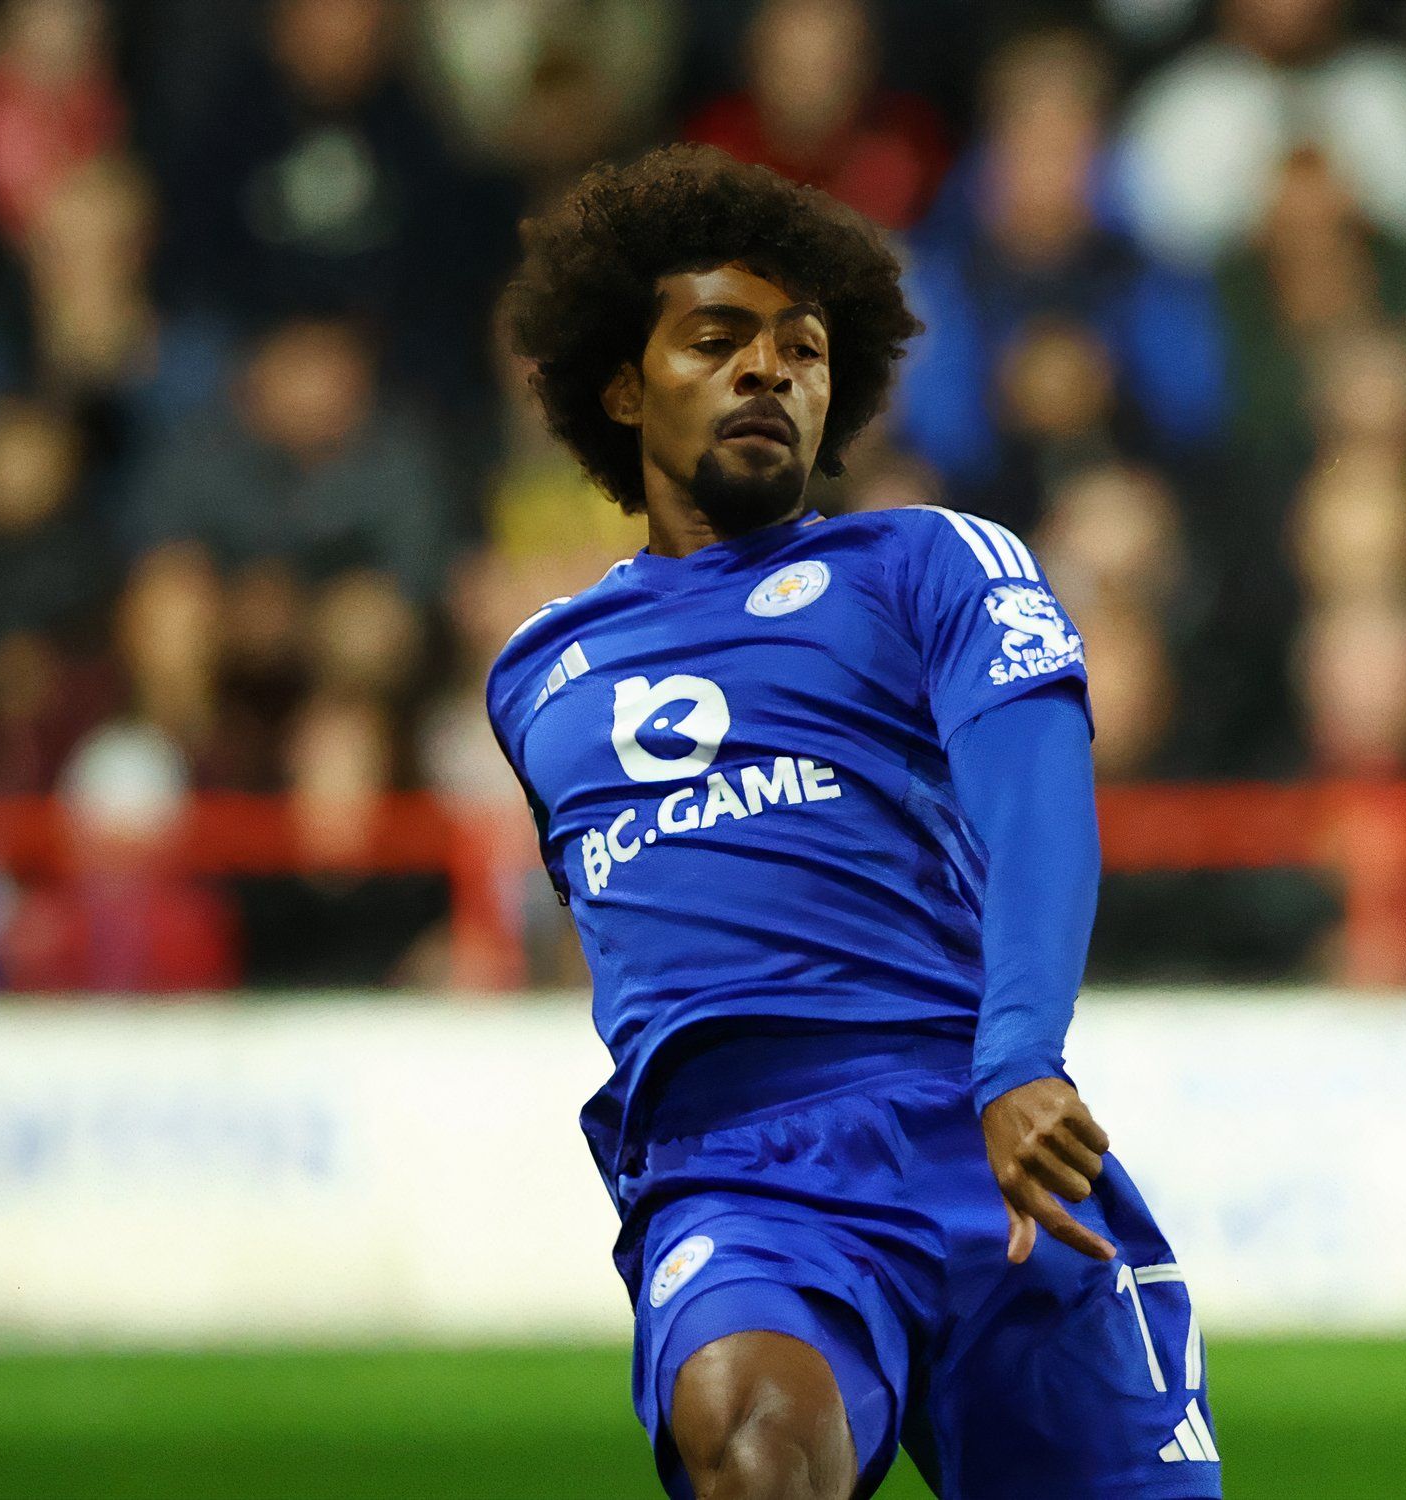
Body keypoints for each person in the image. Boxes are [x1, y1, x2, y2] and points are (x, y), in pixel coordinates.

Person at [490, 145, 1217, 1500]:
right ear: (618, 384)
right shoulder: (538, 674)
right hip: (741, 1180)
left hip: (987, 1135)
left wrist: (1018, 1058)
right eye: (717, 340)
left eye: (805, 350)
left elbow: (1040, 802)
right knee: (752, 1445)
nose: (770, 371)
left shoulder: (927, 563)